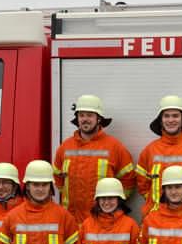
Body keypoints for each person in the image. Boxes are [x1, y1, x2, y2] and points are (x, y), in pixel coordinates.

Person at [53, 94, 136, 224]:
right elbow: (57, 177)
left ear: (98, 118)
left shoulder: (114, 147)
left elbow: (128, 180)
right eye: (81, 115)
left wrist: (112, 204)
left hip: (103, 223)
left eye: (90, 115)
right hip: (72, 222)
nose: (85, 119)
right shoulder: (65, 147)